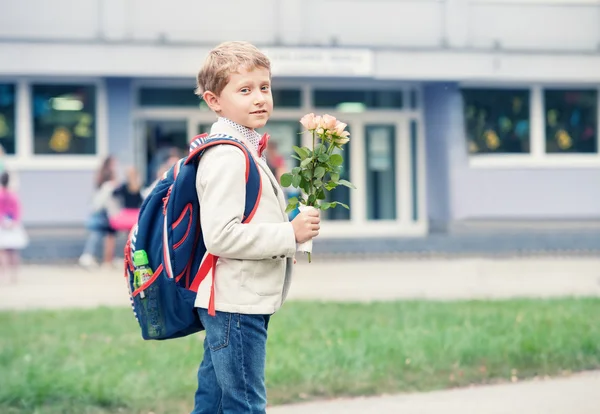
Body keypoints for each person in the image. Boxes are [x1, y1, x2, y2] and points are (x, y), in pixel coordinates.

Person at [190, 41, 320, 413]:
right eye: (244, 90)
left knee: (214, 404)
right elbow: (220, 235)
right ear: (215, 101)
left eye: (264, 87)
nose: (259, 98)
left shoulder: (245, 148)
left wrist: (292, 233)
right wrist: (289, 235)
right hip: (235, 305)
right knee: (244, 405)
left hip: (233, 301)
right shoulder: (228, 155)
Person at [79, 156, 118, 268]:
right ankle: (92, 257)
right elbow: (108, 201)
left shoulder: (101, 177)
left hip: (99, 211)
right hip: (103, 212)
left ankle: (93, 257)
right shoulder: (109, 184)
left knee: (98, 235)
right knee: (101, 234)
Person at [0, 172, 28, 283]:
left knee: (2, 252)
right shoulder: (13, 196)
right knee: (13, 251)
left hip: (2, 225)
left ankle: (4, 274)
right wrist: (14, 222)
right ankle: (14, 276)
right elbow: (18, 210)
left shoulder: (1, 195)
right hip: (13, 226)